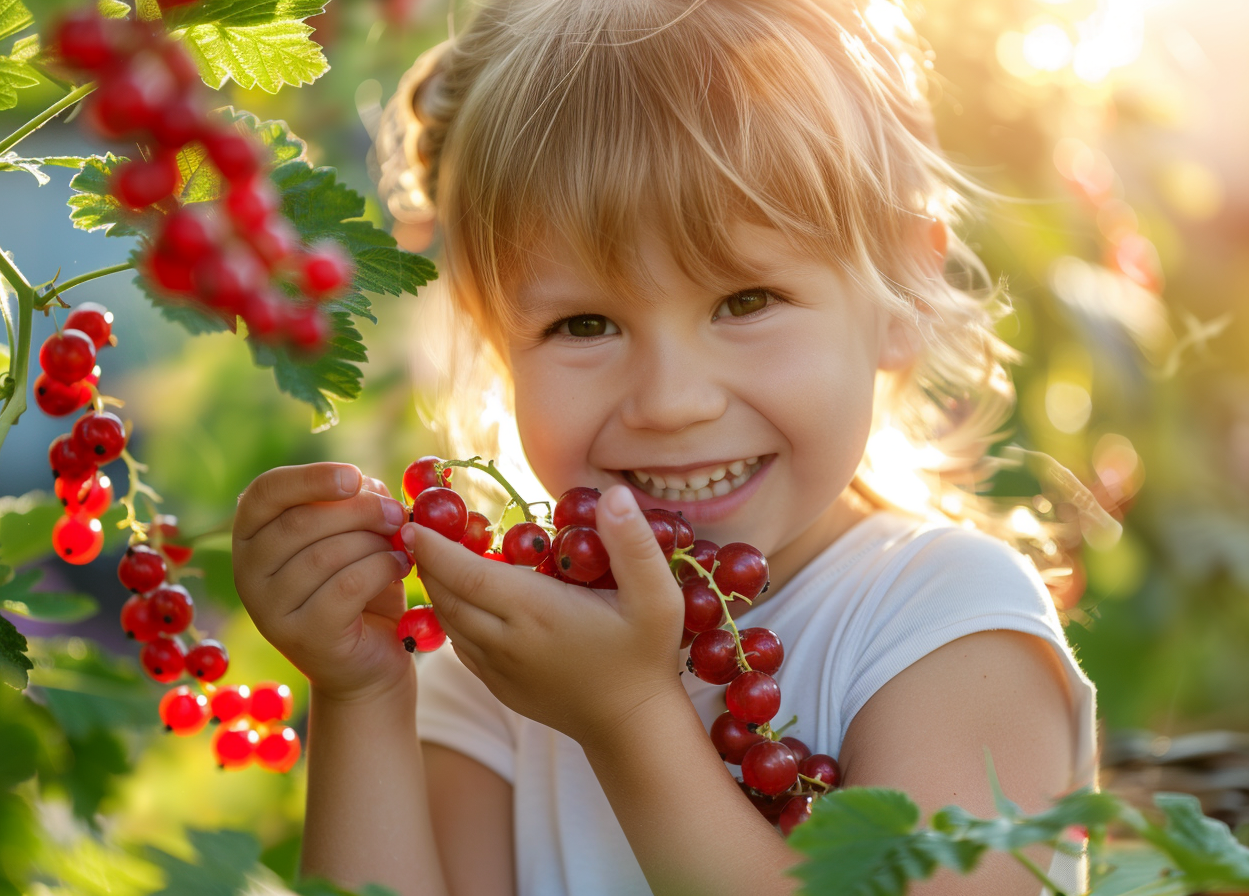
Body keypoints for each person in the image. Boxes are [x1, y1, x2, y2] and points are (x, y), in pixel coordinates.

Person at [231, 1, 1099, 894]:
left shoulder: (945, 622)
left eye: (747, 300)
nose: (673, 402)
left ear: (904, 293)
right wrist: (365, 695)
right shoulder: (495, 683)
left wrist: (631, 717)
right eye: (585, 323)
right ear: (498, 347)